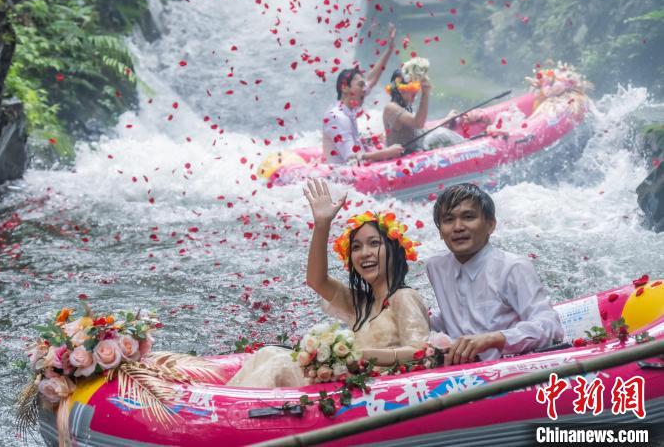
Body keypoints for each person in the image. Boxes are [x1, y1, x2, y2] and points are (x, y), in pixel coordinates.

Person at [228, 178, 435, 388]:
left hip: (377, 388)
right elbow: (316, 280)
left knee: (281, 365)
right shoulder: (360, 303)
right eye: (356, 247)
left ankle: (229, 413)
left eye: (374, 244)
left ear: (395, 251)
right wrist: (322, 224)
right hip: (350, 381)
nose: (364, 253)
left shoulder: (404, 297)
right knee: (268, 352)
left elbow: (420, 351)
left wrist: (361, 355)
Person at [425, 183, 564, 366]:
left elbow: (550, 326)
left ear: (491, 224)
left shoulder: (513, 267)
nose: (458, 227)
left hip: (511, 371)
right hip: (461, 374)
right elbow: (456, 315)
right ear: (440, 232)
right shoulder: (437, 267)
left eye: (468, 217)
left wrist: (494, 339)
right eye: (448, 220)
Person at [322, 24, 404, 164]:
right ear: (345, 88)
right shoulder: (338, 117)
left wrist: (389, 49)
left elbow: (371, 79)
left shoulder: (347, 106)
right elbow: (353, 159)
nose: (365, 89)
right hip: (343, 176)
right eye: (360, 85)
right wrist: (387, 152)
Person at [383, 69, 465, 154]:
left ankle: (466, 144)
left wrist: (446, 120)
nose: (416, 91)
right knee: (438, 135)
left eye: (417, 87)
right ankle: (466, 145)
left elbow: (420, 131)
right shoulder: (390, 108)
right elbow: (419, 123)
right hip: (404, 156)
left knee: (438, 133)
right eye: (412, 88)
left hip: (416, 149)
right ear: (401, 90)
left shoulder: (405, 107)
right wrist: (425, 94)